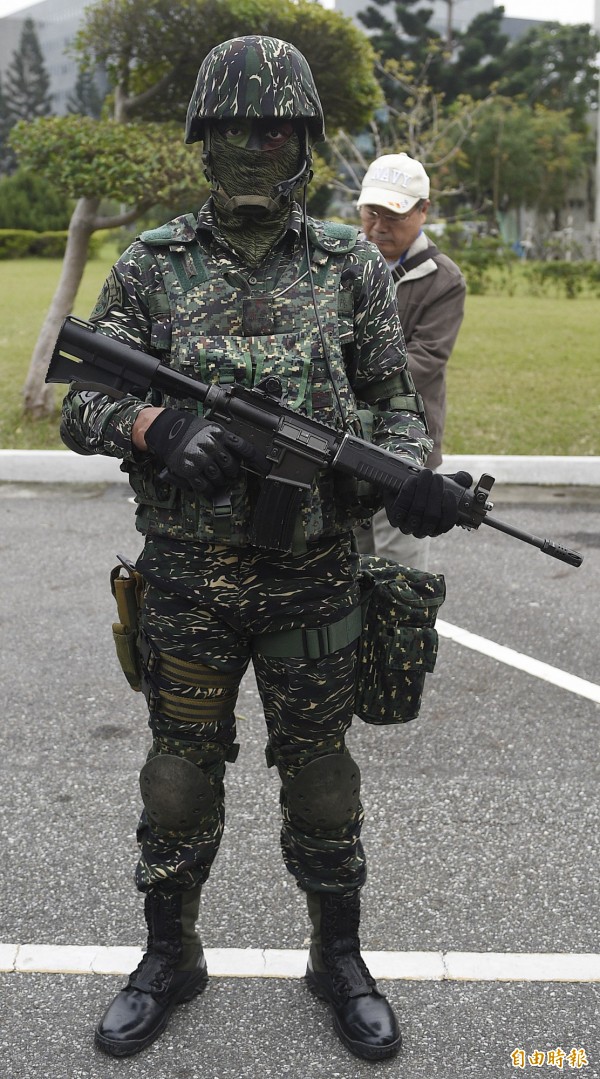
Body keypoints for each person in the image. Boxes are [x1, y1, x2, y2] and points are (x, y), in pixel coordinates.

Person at [60, 37, 469, 1062]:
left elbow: (392, 403)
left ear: (304, 143)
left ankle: (338, 956)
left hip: (317, 581)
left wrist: (411, 478)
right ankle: (169, 954)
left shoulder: (346, 267)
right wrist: (156, 430)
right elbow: (86, 400)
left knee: (323, 778)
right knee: (178, 778)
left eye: (273, 128)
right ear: (204, 138)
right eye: (233, 128)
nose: (252, 146)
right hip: (190, 586)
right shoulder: (154, 262)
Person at [354, 152, 466, 569]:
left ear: (423, 211)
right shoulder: (336, 261)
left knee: (398, 576)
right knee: (341, 569)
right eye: (371, 213)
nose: (379, 227)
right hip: (339, 437)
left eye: (393, 216)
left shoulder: (442, 279)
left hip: (404, 440)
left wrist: (344, 385)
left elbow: (426, 358)